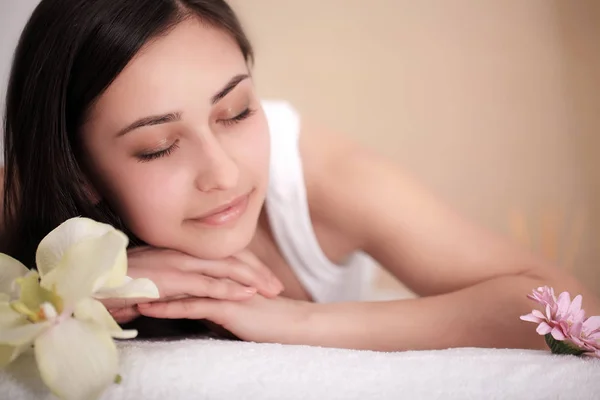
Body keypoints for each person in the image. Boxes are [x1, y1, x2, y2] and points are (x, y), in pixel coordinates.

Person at [2, 0, 598, 352]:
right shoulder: (28, 196)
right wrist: (73, 284)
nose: (224, 171)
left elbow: (577, 316)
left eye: (235, 112)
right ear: (79, 173)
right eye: (158, 147)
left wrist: (295, 319)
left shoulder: (326, 180)